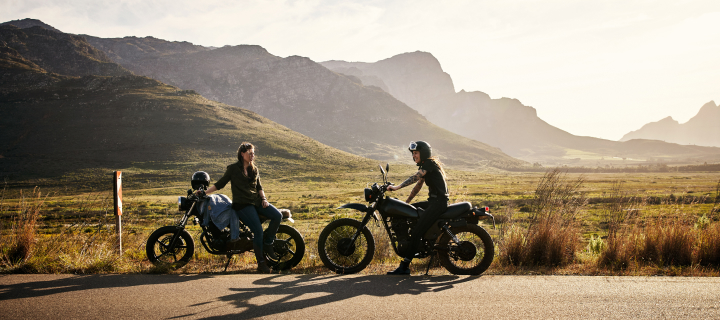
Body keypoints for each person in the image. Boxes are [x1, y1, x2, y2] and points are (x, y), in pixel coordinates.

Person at [202, 142, 282, 274]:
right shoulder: (233, 169)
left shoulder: (254, 169)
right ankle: (261, 264)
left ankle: (268, 243)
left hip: (256, 201)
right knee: (258, 231)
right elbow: (220, 184)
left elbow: (259, 187)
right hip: (242, 205)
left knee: (277, 215)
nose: (252, 155)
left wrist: (264, 199)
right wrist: (204, 193)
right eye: (250, 153)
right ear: (242, 154)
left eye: (253, 153)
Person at [385, 141, 449, 275]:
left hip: (438, 204)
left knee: (417, 232)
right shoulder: (427, 166)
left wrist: (397, 187)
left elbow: (415, 178)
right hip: (433, 202)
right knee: (408, 213)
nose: (414, 156)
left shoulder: (429, 165)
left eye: (416, 153)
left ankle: (405, 266)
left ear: (423, 153)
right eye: (413, 153)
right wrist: (407, 203)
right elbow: (418, 186)